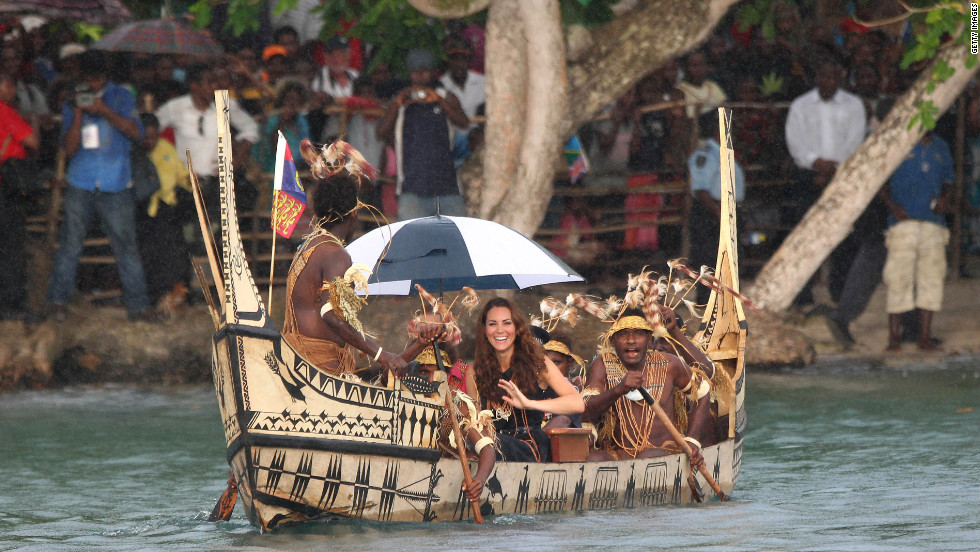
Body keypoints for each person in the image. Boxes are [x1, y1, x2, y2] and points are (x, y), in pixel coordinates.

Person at [282, 139, 439, 376]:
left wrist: (411, 347)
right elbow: (331, 315)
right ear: (353, 214)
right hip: (322, 369)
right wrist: (381, 355)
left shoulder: (308, 247)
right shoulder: (336, 255)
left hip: (297, 364)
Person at [46, 50, 159, 322]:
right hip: (80, 181)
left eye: (97, 79)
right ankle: (57, 303)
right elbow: (70, 149)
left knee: (126, 246)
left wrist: (104, 111)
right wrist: (77, 113)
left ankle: (138, 307)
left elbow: (137, 133)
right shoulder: (73, 101)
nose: (94, 85)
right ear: (82, 77)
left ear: (104, 77)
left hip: (116, 181)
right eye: (89, 80)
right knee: (70, 245)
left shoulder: (121, 96)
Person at [784, 57, 866, 306]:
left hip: (841, 176)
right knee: (805, 236)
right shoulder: (801, 105)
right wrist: (816, 163)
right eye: (823, 76)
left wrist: (831, 170)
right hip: (809, 177)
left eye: (832, 77)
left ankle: (840, 294)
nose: (828, 81)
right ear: (816, 77)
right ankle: (802, 294)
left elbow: (855, 141)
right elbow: (795, 141)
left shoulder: (853, 105)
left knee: (843, 237)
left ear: (840, 78)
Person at [581, 310, 709, 463]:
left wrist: (692, 440)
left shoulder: (670, 364)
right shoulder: (603, 365)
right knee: (593, 458)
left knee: (646, 457)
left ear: (649, 339)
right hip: (617, 456)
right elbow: (584, 411)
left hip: (663, 452)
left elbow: (702, 394)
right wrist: (618, 390)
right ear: (613, 341)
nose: (631, 341)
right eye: (623, 335)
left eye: (638, 334)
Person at [472, 297, 584, 462]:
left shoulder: (538, 363)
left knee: (490, 444)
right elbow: (474, 423)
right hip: (488, 446)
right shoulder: (475, 372)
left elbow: (577, 403)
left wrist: (529, 404)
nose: (500, 330)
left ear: (517, 328)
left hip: (529, 447)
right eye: (493, 324)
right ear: (484, 329)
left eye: (507, 323)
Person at [155, 63, 259, 218]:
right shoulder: (175, 107)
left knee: (218, 232)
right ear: (194, 86)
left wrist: (236, 161)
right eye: (210, 82)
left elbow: (250, 128)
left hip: (218, 183)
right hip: (186, 185)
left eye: (215, 82)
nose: (215, 86)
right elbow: (150, 128)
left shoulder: (224, 104)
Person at [881, 132, 953, 353]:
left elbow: (949, 180)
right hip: (903, 223)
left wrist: (945, 199)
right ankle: (894, 339)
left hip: (933, 223)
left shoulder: (941, 146)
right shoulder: (899, 142)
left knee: (931, 279)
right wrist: (892, 206)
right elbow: (879, 181)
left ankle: (925, 338)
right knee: (898, 278)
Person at [377, 49, 469, 220]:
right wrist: (396, 104)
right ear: (409, 73)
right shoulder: (401, 101)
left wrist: (440, 102)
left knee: (456, 238)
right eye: (415, 71)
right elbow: (380, 133)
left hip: (447, 187)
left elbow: (464, 123)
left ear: (432, 72)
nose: (420, 75)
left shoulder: (446, 97)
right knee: (414, 242)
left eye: (424, 70)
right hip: (411, 188)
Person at [135, 112, 193, 311]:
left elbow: (181, 174)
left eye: (154, 136)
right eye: (146, 137)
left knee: (176, 252)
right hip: (143, 211)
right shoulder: (132, 151)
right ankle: (155, 298)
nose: (150, 141)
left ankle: (178, 296)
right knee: (151, 255)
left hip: (167, 208)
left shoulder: (166, 148)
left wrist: (191, 182)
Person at [688, 109, 745, 305]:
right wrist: (721, 214)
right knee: (708, 256)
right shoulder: (706, 154)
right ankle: (706, 302)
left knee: (728, 258)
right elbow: (701, 190)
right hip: (711, 210)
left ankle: (725, 300)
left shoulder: (726, 152)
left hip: (724, 209)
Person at [0, 71, 39, 319]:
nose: (11, 91)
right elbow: (33, 141)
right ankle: (11, 306)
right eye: (8, 86)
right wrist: (32, 122)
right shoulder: (5, 111)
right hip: (6, 187)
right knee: (11, 245)